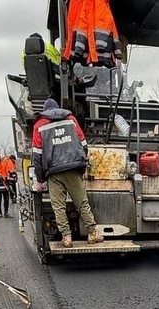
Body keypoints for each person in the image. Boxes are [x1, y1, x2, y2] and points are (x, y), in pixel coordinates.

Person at [32, 98, 103, 248]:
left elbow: (37, 156)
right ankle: (92, 233)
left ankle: (66, 237)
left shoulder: (39, 125)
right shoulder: (71, 119)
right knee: (81, 203)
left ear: (45, 111)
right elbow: (84, 145)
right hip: (73, 168)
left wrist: (40, 180)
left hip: (53, 172)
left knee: (58, 206)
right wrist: (81, 167)